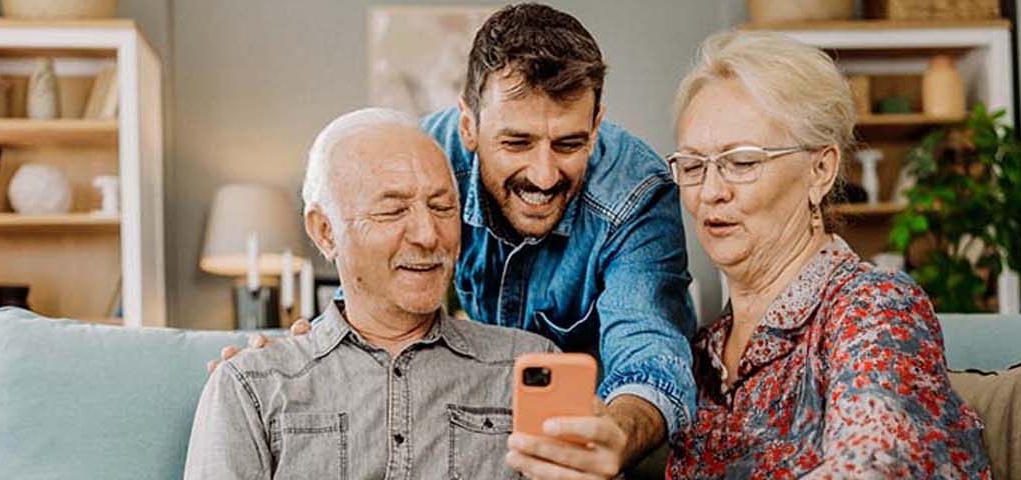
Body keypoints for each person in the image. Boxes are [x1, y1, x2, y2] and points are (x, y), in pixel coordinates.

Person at [217, 4, 698, 477]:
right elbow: (374, 270)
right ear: (468, 125)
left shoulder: (637, 193)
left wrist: (616, 432)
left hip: (590, 404)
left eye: (569, 144)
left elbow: (650, 353)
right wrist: (301, 353)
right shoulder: (427, 159)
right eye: (516, 143)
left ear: (595, 125)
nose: (544, 174)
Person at [663, 32, 992, 478]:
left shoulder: (873, 308)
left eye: (741, 162)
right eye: (693, 165)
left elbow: (876, 468)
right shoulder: (701, 354)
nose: (710, 192)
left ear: (821, 169)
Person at [183, 108, 558, 479]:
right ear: (325, 231)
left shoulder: (529, 366)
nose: (428, 235)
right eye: (393, 211)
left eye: (442, 207)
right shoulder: (252, 384)